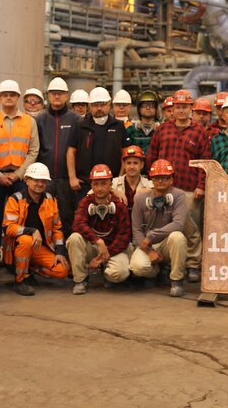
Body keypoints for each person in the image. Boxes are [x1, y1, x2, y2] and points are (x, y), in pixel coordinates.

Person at [146, 89, 210, 282]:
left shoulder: (199, 132)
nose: (181, 111)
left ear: (191, 108)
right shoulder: (162, 129)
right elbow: (151, 156)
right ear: (172, 108)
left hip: (189, 189)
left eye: (185, 107)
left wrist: (201, 186)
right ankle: (167, 265)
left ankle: (192, 265)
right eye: (178, 107)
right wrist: (153, 182)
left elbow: (205, 161)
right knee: (164, 226)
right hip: (163, 189)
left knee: (191, 229)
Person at [0, 79, 40, 247]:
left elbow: (33, 150)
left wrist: (18, 174)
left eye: (12, 95)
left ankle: (15, 254)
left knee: (21, 217)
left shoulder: (29, 121)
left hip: (20, 179)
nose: (8, 98)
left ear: (18, 97)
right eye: (4, 95)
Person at [3, 163, 70, 296]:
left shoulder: (50, 200)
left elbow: (57, 228)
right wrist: (31, 231)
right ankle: (20, 281)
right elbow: (8, 228)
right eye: (35, 180)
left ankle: (29, 269)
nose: (40, 184)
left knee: (62, 270)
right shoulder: (15, 199)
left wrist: (59, 252)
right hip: (18, 248)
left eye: (43, 181)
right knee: (26, 240)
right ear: (27, 180)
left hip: (39, 248)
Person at [130, 159, 195, 297]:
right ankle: (156, 272)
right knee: (137, 267)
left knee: (177, 237)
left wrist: (152, 236)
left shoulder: (178, 195)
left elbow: (178, 224)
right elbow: (136, 230)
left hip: (167, 243)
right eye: (157, 178)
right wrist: (148, 252)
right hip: (148, 244)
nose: (160, 181)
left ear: (171, 179)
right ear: (151, 180)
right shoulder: (141, 199)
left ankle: (176, 280)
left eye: (165, 178)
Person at [67, 165, 132, 294]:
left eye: (104, 183)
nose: (100, 188)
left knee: (121, 273)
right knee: (74, 238)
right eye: (96, 184)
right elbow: (77, 224)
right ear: (91, 185)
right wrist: (98, 241)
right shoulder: (85, 202)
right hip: (94, 246)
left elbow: (124, 237)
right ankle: (80, 280)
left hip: (113, 249)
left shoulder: (119, 205)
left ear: (110, 184)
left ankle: (107, 275)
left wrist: (103, 256)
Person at [67, 87, 130, 205]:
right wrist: (72, 177)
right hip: (85, 184)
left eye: (103, 104)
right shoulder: (80, 125)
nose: (99, 108)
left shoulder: (118, 126)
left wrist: (119, 179)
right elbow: (71, 151)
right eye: (95, 105)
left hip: (112, 184)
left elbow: (125, 154)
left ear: (109, 104)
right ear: (90, 106)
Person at [37, 76, 82, 239]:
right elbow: (35, 149)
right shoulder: (39, 119)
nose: (57, 96)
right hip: (44, 179)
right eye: (53, 93)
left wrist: (75, 176)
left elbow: (80, 150)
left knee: (66, 217)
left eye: (60, 93)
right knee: (43, 216)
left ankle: (67, 255)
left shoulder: (76, 119)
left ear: (67, 95)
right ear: (48, 95)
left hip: (66, 180)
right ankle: (45, 254)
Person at [127, 90, 160, 154]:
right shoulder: (131, 130)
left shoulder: (162, 130)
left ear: (156, 109)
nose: (148, 107)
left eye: (152, 105)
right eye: (145, 105)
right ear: (139, 108)